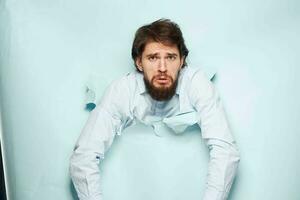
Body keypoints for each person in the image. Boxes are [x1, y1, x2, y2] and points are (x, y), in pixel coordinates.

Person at [69, 18, 240, 200]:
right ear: (139, 63)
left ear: (182, 61)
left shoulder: (197, 83)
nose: (162, 68)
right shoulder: (122, 89)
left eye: (171, 57)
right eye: (153, 58)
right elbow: (83, 157)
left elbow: (226, 151)